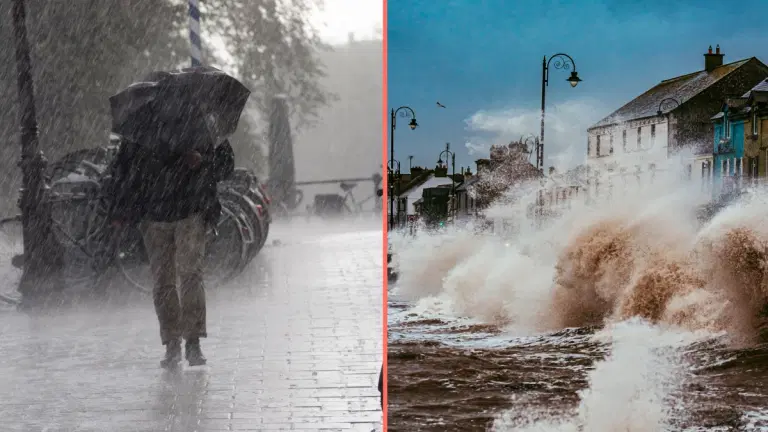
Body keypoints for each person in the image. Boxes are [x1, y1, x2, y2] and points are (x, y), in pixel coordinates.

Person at [106, 118, 234, 368]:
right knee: (168, 279)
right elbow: (124, 170)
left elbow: (225, 165)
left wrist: (202, 161)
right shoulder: (151, 128)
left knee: (186, 276)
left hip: (188, 211)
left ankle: (190, 342)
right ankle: (174, 342)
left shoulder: (197, 124)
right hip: (158, 215)